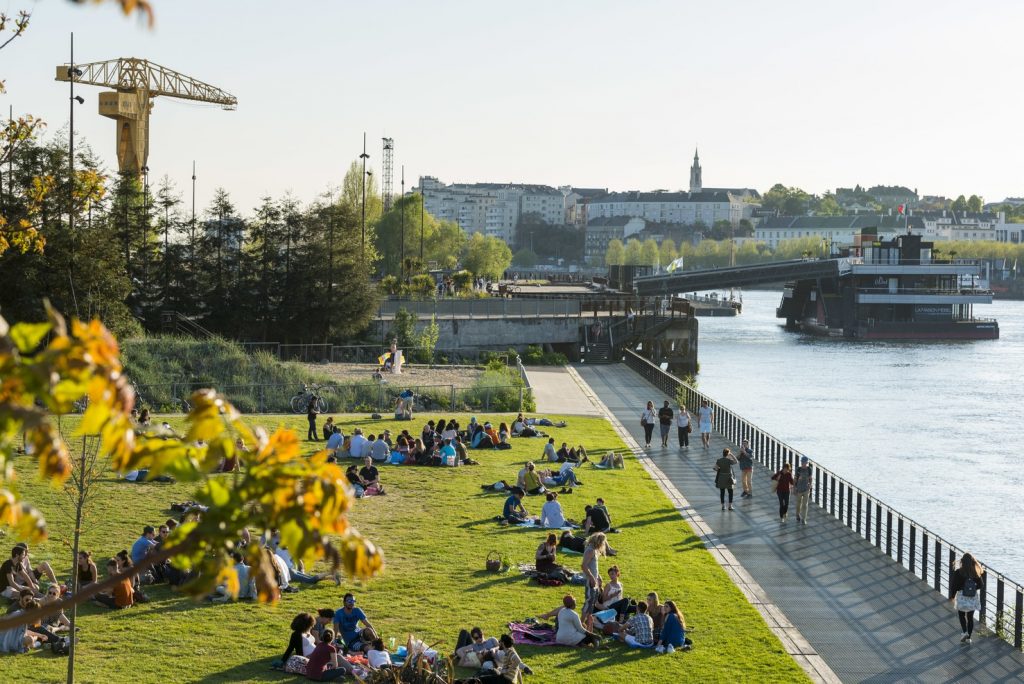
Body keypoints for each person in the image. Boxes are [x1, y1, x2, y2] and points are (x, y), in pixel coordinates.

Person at [950, 553, 986, 644]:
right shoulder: (975, 573)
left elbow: (954, 585)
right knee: (970, 617)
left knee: (961, 615)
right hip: (972, 597)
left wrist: (953, 595)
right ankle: (969, 637)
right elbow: (981, 585)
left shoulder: (958, 572)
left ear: (962, 561)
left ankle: (964, 632)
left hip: (962, 596)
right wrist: (973, 588)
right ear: (972, 562)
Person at [581, 533, 607, 619]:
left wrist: (598, 576)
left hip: (594, 580)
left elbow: (593, 566)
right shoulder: (590, 550)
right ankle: (581, 622)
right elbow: (584, 565)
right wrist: (592, 577)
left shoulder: (595, 550)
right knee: (589, 602)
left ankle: (588, 623)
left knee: (593, 602)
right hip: (590, 580)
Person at [794, 456, 813, 524]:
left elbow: (810, 478)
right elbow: (795, 479)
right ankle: (797, 515)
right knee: (798, 504)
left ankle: (804, 519)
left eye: (805, 462)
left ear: (807, 463)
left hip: (806, 489)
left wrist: (810, 485)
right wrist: (794, 488)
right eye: (802, 462)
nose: (803, 463)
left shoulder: (809, 469)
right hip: (799, 489)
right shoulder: (798, 469)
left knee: (805, 505)